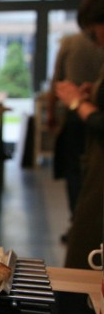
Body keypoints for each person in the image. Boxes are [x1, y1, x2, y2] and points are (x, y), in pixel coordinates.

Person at [55, 0, 104, 269]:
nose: (95, 40)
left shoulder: (72, 42)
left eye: (94, 30)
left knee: (84, 255)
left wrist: (77, 103)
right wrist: (93, 92)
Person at [47, 30, 104, 234]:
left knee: (75, 171)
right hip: (89, 111)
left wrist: (51, 112)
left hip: (82, 114)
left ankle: (79, 224)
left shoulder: (71, 42)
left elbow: (57, 82)